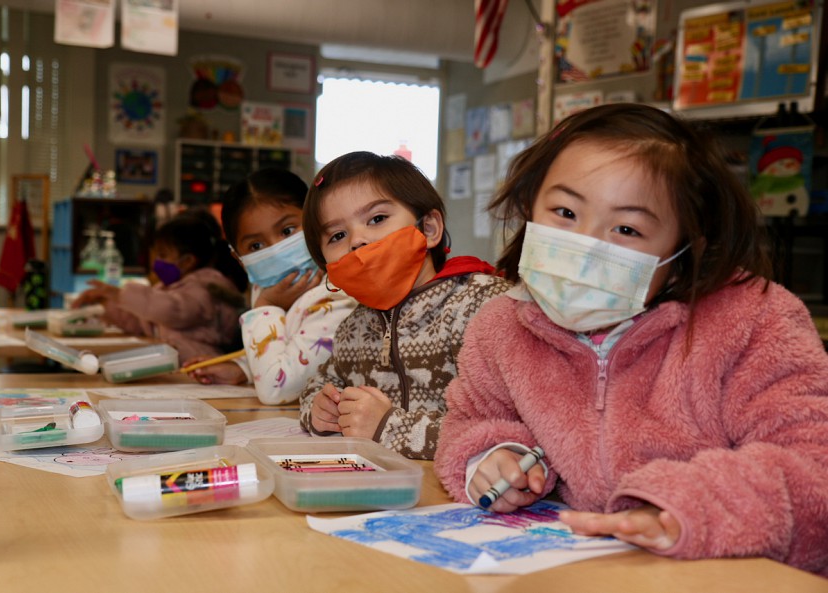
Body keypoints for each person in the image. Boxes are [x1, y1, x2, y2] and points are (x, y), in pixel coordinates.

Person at [433, 103, 828, 575]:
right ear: (528, 207)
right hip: (577, 574)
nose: (585, 246)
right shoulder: (501, 327)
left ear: (685, 249)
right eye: (565, 212)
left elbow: (812, 467)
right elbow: (468, 421)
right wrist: (493, 457)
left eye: (627, 229)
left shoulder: (755, 320)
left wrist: (684, 508)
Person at [299, 151, 511, 460]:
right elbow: (320, 384)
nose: (357, 241)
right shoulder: (353, 327)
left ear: (428, 229)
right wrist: (318, 410)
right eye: (338, 235)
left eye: (377, 219)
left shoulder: (480, 305)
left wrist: (388, 427)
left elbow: (504, 431)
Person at [185, 169, 357, 405]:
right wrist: (243, 369)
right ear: (239, 259)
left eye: (287, 231)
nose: (277, 250)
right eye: (256, 245)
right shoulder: (270, 286)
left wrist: (267, 306)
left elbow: (277, 388)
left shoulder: (337, 297)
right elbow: (291, 346)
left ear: (315, 221)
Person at [70, 212, 244, 364]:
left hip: (202, 369)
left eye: (163, 255)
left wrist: (119, 294)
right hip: (178, 370)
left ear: (188, 261)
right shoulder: (168, 289)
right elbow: (140, 321)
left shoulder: (205, 288)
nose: (156, 263)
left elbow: (172, 310)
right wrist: (104, 305)